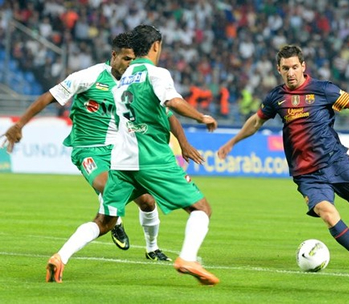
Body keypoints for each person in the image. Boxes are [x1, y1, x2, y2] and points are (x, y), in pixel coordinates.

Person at [44, 25, 220, 285]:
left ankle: (61, 256)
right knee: (201, 208)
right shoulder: (157, 73)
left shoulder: (122, 78)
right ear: (156, 46)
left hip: (121, 160)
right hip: (151, 157)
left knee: (105, 219)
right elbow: (172, 103)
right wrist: (200, 115)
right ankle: (187, 258)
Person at [1, 32, 200, 263]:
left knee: (148, 201)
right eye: (126, 59)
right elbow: (49, 97)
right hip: (89, 149)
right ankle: (114, 220)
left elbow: (167, 113)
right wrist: (20, 124)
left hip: (122, 151)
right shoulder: (89, 76)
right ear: (114, 55)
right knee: (107, 186)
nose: (130, 65)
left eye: (134, 60)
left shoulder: (137, 81)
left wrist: (184, 144)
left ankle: (152, 248)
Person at [217, 44, 349, 272]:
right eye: (286, 68)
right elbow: (256, 121)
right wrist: (232, 142)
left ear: (303, 66)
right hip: (307, 175)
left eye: (295, 67)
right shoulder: (276, 97)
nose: (291, 72)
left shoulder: (323, 89)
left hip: (336, 162)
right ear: (279, 69)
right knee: (327, 213)